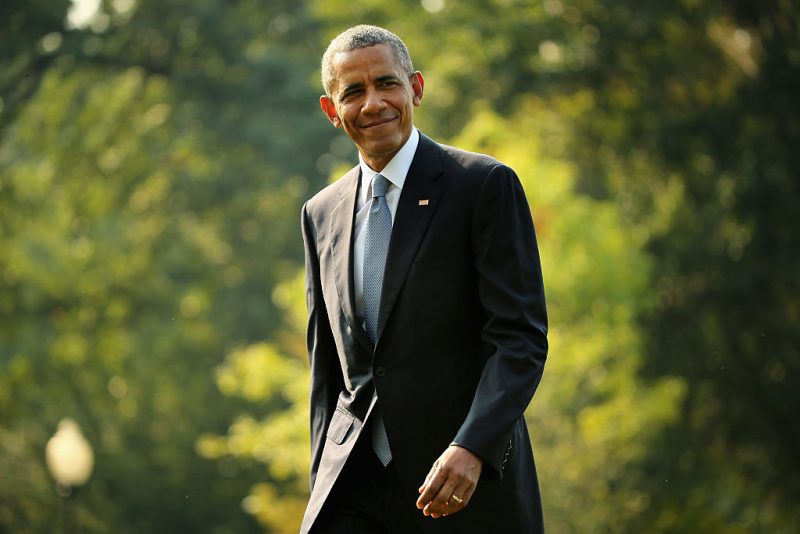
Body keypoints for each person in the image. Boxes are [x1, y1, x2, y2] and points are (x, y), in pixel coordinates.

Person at [300, 24, 548, 533]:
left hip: (463, 486)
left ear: (415, 87)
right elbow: (326, 372)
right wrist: (320, 478)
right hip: (355, 491)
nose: (373, 104)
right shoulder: (319, 213)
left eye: (386, 84)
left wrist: (473, 446)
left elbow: (518, 340)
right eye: (353, 92)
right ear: (331, 110)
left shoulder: (482, 186)